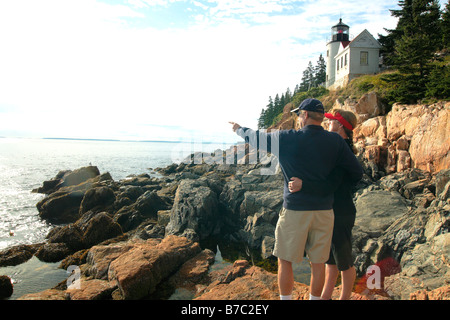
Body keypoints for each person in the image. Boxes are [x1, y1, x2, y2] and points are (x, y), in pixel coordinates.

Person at [230, 99, 363, 300]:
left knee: (285, 260)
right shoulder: (335, 142)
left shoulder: (286, 138)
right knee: (318, 263)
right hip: (325, 211)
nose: (298, 119)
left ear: (305, 115)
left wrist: (239, 129)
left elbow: (256, 138)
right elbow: (356, 172)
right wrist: (327, 182)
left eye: (299, 115)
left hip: (296, 209)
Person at [289, 109, 359, 300]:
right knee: (329, 261)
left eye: (332, 121)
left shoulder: (343, 150)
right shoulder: (336, 146)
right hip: (329, 210)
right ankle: (325, 297)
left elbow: (331, 184)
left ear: (340, 126)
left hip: (341, 211)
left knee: (344, 261)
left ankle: (344, 298)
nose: (327, 123)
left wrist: (304, 185)